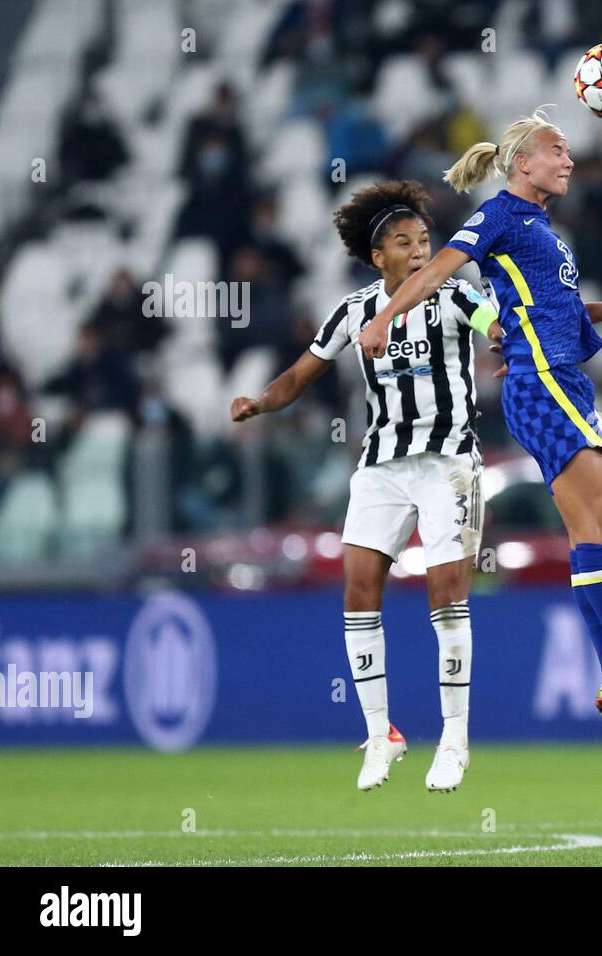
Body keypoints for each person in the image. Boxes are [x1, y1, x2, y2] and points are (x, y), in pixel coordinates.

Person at [358, 108, 602, 735]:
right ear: (523, 162)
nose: (569, 160)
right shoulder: (498, 214)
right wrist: (384, 319)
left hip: (557, 380)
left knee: (597, 524)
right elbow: (436, 272)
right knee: (592, 522)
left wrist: (594, 307)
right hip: (545, 384)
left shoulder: (539, 228)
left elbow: (536, 304)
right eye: (558, 150)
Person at [231, 181, 497, 793]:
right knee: (357, 592)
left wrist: (503, 334)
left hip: (448, 460)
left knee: (446, 594)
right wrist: (261, 403)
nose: (418, 249)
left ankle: (454, 740)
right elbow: (302, 371)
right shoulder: (355, 312)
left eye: (425, 239)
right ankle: (382, 735)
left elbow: (491, 321)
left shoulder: (455, 296)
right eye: (404, 242)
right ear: (378, 257)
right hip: (381, 465)